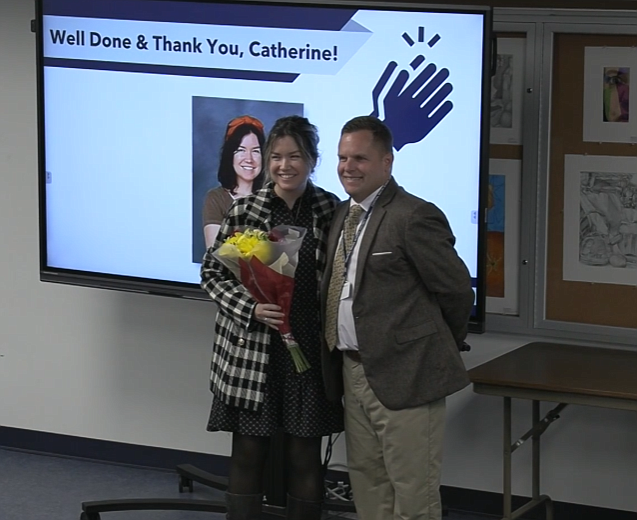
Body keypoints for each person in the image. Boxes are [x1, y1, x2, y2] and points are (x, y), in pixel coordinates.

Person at [320, 116, 474, 520]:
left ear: (387, 162)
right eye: (342, 157)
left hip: (408, 374)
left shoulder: (413, 216)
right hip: (353, 370)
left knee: (413, 492)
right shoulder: (341, 215)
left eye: (360, 158)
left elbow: (457, 290)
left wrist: (430, 345)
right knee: (367, 482)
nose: (348, 167)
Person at [200, 115, 344, 520]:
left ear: (312, 160)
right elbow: (212, 273)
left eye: (295, 156)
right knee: (248, 453)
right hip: (253, 352)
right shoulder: (246, 209)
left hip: (308, 355)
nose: (284, 165)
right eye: (276, 156)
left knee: (304, 455)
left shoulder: (331, 211)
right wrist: (250, 307)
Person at [202, 115, 266, 248]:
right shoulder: (216, 198)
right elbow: (214, 251)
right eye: (241, 150)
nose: (249, 159)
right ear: (230, 156)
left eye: (255, 151)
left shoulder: (273, 197)